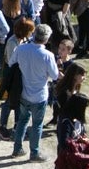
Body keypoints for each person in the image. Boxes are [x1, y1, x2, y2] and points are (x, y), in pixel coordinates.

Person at [10, 24, 59, 161]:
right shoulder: (48, 55)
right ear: (47, 39)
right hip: (40, 96)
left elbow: (11, 63)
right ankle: (34, 152)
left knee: (22, 121)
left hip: (24, 93)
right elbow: (55, 76)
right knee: (37, 125)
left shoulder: (21, 49)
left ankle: (17, 148)